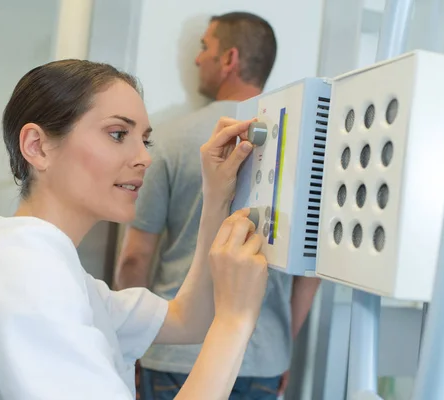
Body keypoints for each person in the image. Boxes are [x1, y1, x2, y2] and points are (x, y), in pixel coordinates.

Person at [0, 59, 270, 400]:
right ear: (37, 146)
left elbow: (187, 320)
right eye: (118, 134)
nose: (144, 158)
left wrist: (215, 197)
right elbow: (205, 322)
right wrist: (236, 321)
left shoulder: (40, 263)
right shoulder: (22, 274)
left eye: (144, 141)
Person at [114, 11, 321, 399]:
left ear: (230, 60)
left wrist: (134, 346)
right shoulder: (304, 149)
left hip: (176, 357)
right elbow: (311, 272)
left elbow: (134, 260)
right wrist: (280, 343)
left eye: (204, 47)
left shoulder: (170, 141)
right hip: (262, 359)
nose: (197, 59)